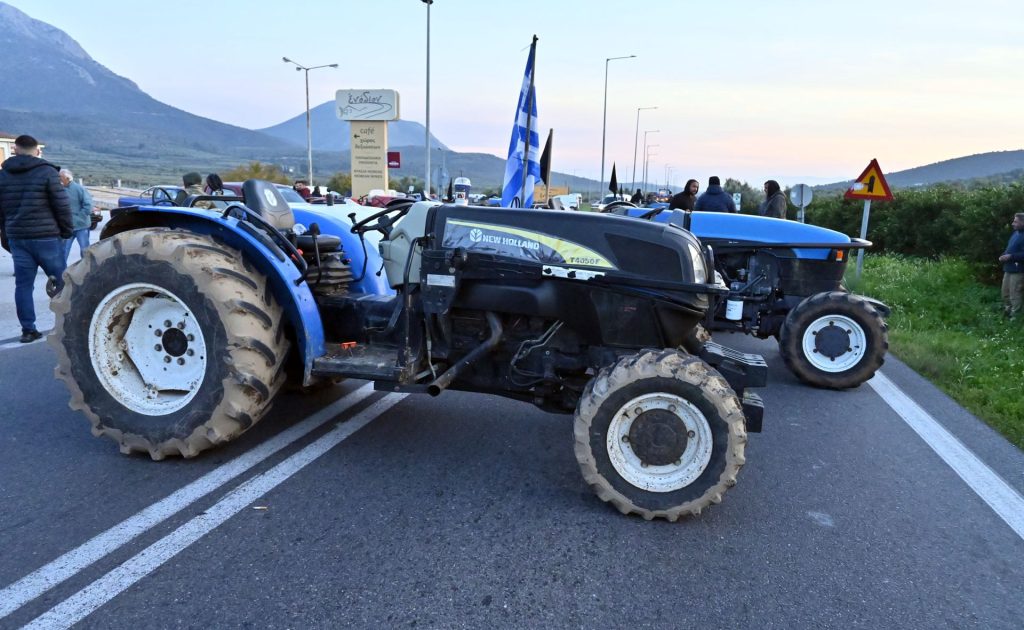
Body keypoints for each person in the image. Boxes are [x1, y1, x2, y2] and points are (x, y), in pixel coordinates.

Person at [0, 135, 72, 343]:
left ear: (15, 149)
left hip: (18, 238)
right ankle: (69, 325)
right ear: (37, 150)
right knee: (63, 283)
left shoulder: (3, 175)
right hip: (47, 237)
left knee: (23, 286)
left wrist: (6, 236)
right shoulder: (47, 172)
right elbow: (62, 205)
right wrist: (66, 231)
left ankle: (28, 330)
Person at [59, 168, 93, 260]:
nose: (58, 179)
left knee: (84, 250)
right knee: (63, 250)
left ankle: (86, 270)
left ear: (67, 178)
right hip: (67, 227)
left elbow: (88, 206)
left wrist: (78, 218)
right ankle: (61, 272)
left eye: (60, 177)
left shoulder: (79, 189)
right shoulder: (59, 190)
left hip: (81, 226)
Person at [1000, 212, 1024, 320]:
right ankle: (1007, 314)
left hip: (1018, 270)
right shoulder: (1015, 233)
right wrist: (1003, 255)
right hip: (1008, 269)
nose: (1012, 223)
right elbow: (1009, 248)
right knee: (1005, 293)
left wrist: (1011, 256)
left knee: (1015, 294)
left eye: (1016, 221)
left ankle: (1015, 319)